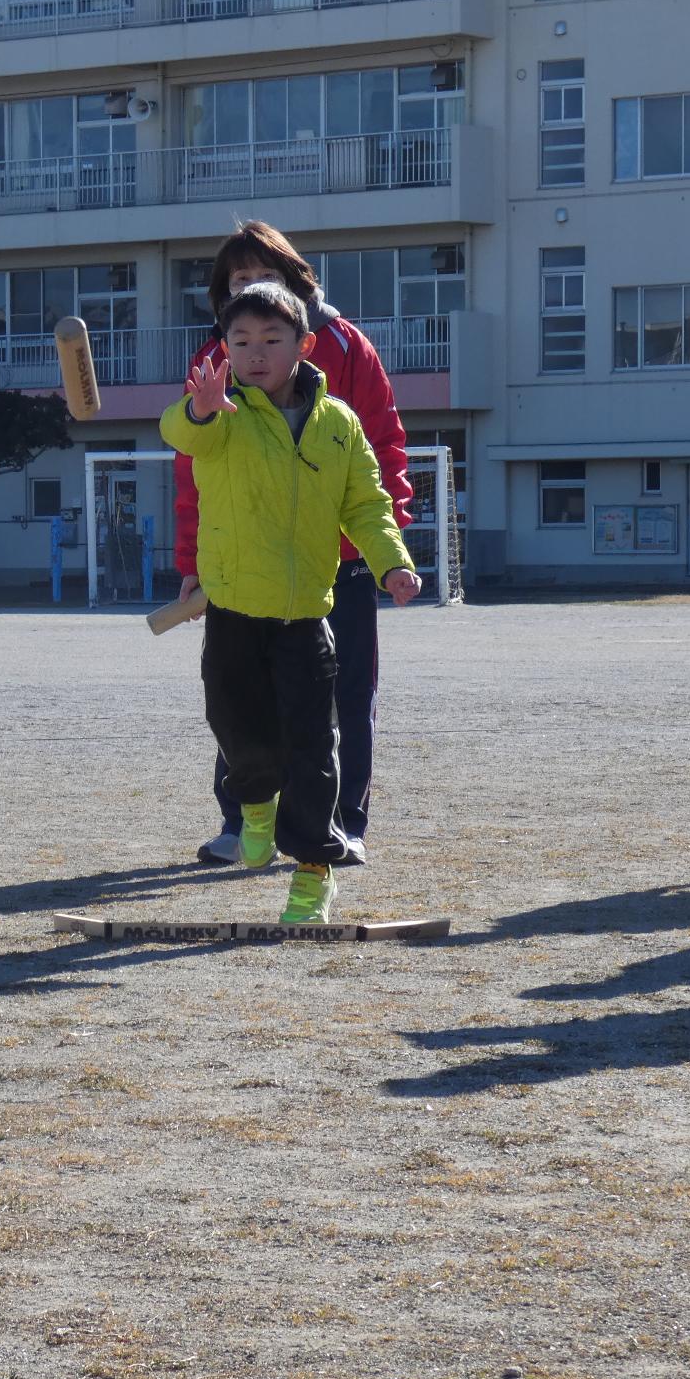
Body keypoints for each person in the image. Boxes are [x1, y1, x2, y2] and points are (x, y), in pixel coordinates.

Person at [159, 281, 420, 925]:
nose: (254, 353)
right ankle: (253, 807)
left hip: (307, 613)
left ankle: (312, 872)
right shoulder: (220, 416)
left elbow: (367, 504)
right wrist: (198, 411)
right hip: (234, 613)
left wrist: (393, 563)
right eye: (240, 341)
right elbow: (181, 435)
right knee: (236, 727)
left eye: (271, 340)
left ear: (304, 346)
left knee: (311, 748)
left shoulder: (339, 425)